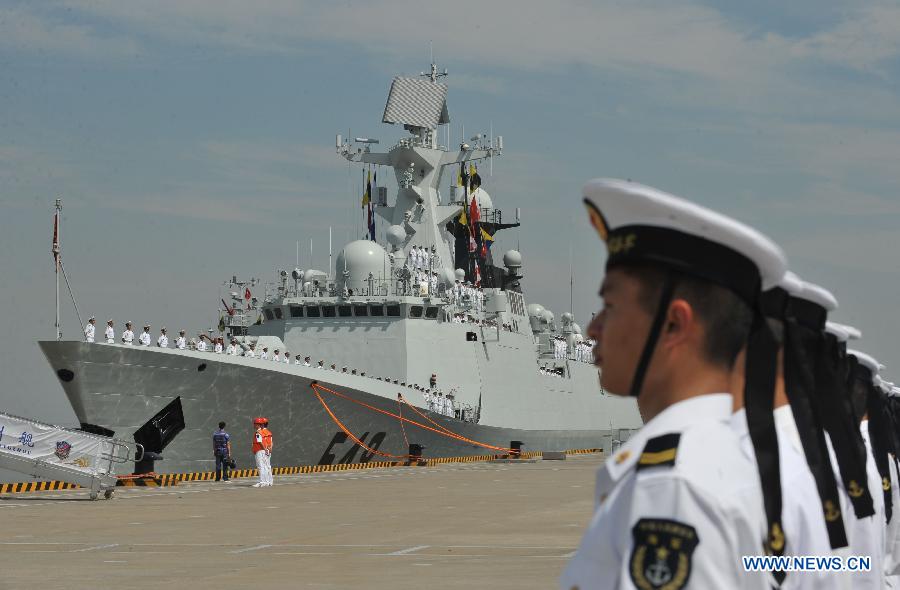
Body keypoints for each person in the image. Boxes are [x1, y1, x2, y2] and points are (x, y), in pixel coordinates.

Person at [561, 178, 784, 590]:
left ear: (673, 323)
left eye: (609, 306)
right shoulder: (740, 455)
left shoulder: (674, 484)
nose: (592, 328)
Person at [252, 417, 273, 488]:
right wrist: (269, 449)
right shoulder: (268, 432)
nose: (254, 425)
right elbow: (271, 442)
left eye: (255, 424)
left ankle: (262, 481)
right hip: (267, 450)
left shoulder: (259, 432)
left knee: (261, 466)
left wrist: (265, 449)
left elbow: (260, 442)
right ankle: (269, 481)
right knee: (267, 466)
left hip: (260, 450)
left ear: (259, 425)